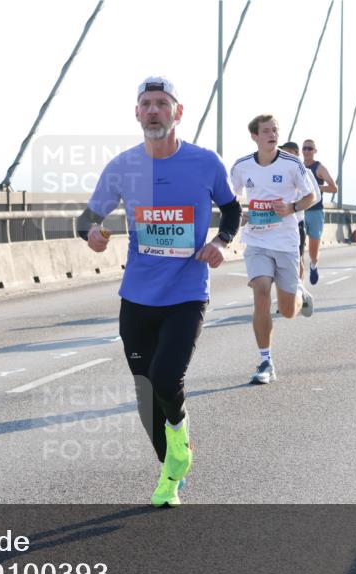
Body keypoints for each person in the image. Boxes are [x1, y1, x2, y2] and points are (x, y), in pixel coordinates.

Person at [77, 76, 240, 507]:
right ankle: (170, 472)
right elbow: (87, 217)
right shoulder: (123, 166)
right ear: (136, 113)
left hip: (186, 294)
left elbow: (233, 208)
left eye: (162, 104)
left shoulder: (205, 163)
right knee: (145, 388)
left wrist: (221, 243)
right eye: (146, 104)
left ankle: (179, 430)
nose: (153, 111)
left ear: (177, 112)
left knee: (168, 376)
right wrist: (91, 233)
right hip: (137, 297)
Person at [230, 114, 317, 385]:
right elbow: (230, 197)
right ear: (255, 136)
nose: (272, 134)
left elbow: (312, 196)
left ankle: (300, 293)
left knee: (289, 310)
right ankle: (265, 360)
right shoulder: (242, 166)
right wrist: (238, 214)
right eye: (266, 131)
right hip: (256, 240)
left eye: (275, 130)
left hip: (285, 241)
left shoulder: (292, 164)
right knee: (261, 290)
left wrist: (292, 207)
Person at [281, 141, 320, 280]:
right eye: (283, 152)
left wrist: (296, 207)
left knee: (298, 259)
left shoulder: (306, 172)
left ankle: (300, 291)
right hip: (279, 223)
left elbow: (316, 197)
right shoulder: (278, 171)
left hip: (297, 222)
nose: (285, 156)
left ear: (297, 154)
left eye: (289, 153)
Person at [301, 139, 338, 284]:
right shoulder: (298, 167)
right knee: (298, 245)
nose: (307, 151)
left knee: (313, 248)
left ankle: (313, 264)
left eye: (310, 148)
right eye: (304, 148)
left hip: (316, 212)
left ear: (315, 151)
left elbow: (334, 188)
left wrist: (317, 187)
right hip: (300, 211)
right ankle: (299, 277)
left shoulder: (319, 168)